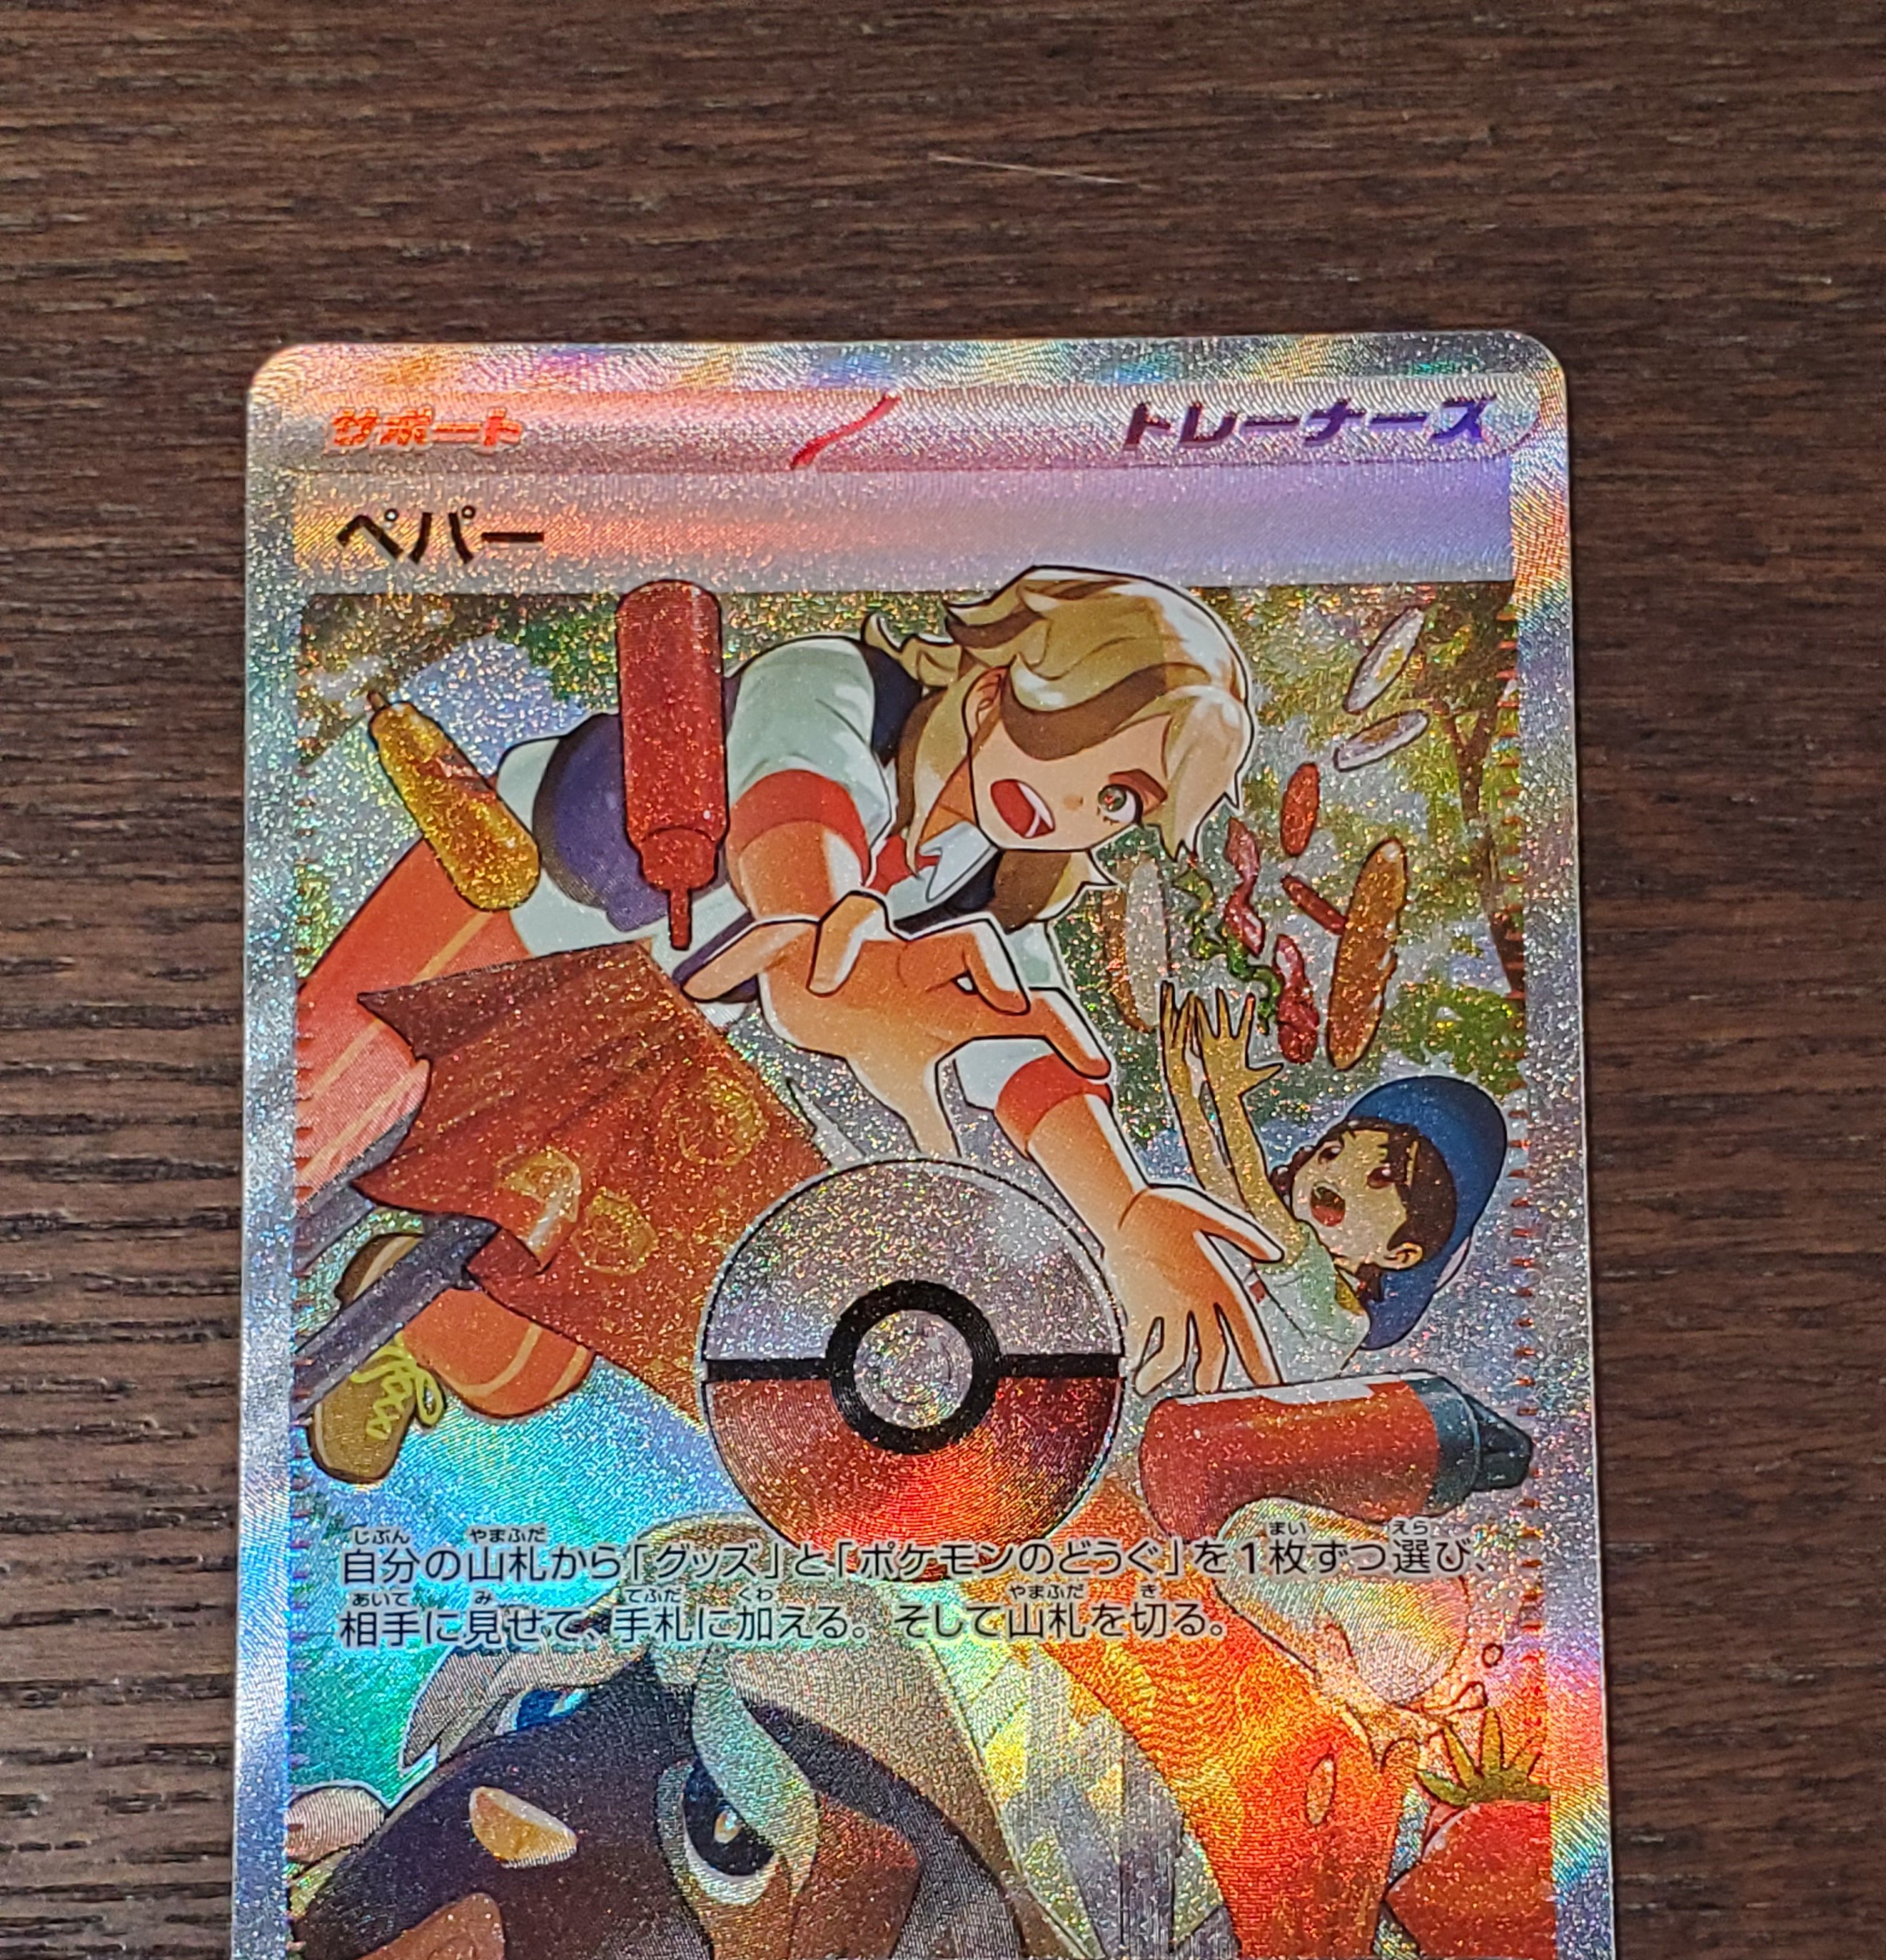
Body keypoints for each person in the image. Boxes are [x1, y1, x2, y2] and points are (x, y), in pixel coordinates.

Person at [306, 568, 1282, 1481]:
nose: (1077, 806)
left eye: (1119, 799)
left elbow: (1027, 1049)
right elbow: (798, 852)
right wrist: (834, 964)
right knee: (309, 1139)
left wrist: (1126, 1210)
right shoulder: (830, 690)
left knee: (533, 1351)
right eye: (1078, 740)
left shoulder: (980, 887)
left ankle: (400, 1323)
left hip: (618, 1041)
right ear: (1007, 683)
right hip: (506, 929)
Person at [1161, 988, 1507, 1381]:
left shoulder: (1340, 1312)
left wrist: (1227, 1097)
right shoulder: (1283, 1249)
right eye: (1331, 1153)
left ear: (1400, 1255)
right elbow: (1221, 1183)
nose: (1337, 1176)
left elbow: (1257, 1194)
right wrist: (1185, 1092)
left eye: (1380, 1178)